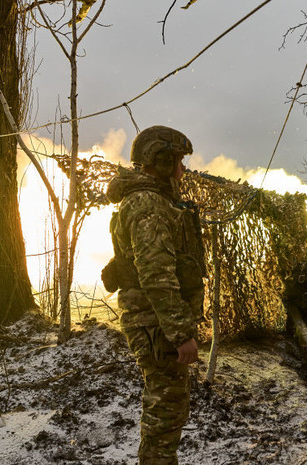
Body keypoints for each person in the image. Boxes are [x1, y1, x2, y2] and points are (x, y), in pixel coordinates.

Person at [102, 125, 206, 465]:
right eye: (177, 161)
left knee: (165, 414)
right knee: (165, 418)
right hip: (158, 327)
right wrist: (181, 334)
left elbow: (142, 260)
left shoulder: (148, 202)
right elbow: (157, 275)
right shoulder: (149, 206)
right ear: (160, 161)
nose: (182, 169)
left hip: (154, 324)